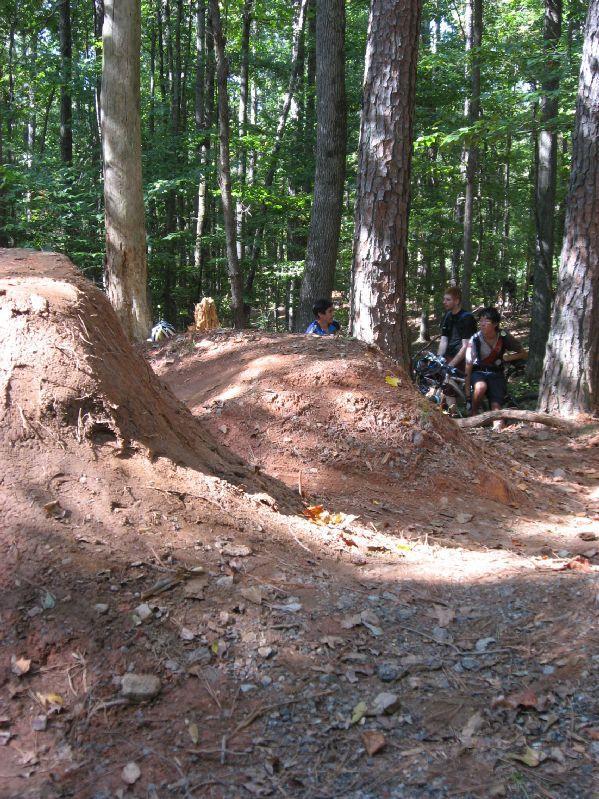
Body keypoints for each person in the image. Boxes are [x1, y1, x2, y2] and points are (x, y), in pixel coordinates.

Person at [464, 307, 527, 429]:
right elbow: (468, 365)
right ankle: (474, 412)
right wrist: (467, 393)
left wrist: (507, 358)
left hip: (496, 374)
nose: (482, 324)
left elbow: (523, 353)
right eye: (481, 320)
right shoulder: (475, 339)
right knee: (480, 386)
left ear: (495, 324)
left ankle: (497, 428)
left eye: (486, 321)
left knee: (498, 417)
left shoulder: (504, 337)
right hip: (479, 372)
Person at [437, 286, 477, 414]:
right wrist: (438, 359)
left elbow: (466, 346)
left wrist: (451, 364)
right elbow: (444, 340)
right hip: (449, 355)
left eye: (448, 299)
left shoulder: (466, 318)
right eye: (444, 299)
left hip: (464, 358)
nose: (444, 302)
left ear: (457, 301)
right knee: (443, 383)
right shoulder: (448, 316)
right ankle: (450, 413)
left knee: (449, 384)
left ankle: (457, 413)